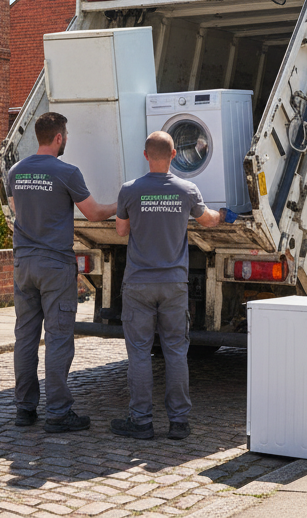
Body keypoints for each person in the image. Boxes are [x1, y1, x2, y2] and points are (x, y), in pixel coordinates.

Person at [111, 131, 232, 441]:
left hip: (139, 283)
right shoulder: (187, 190)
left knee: (139, 353)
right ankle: (179, 422)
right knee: (176, 351)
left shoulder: (129, 191)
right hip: (174, 283)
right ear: (175, 154)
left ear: (145, 155)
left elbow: (121, 231)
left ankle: (141, 422)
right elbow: (208, 221)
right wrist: (223, 215)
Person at [7, 112, 117, 433]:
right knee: (58, 338)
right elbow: (94, 213)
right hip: (55, 265)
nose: (66, 139)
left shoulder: (17, 170)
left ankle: (25, 409)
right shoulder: (67, 172)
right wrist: (120, 203)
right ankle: (57, 412)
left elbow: (17, 209)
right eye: (65, 134)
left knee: (25, 337)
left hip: (23, 264)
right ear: (58, 138)